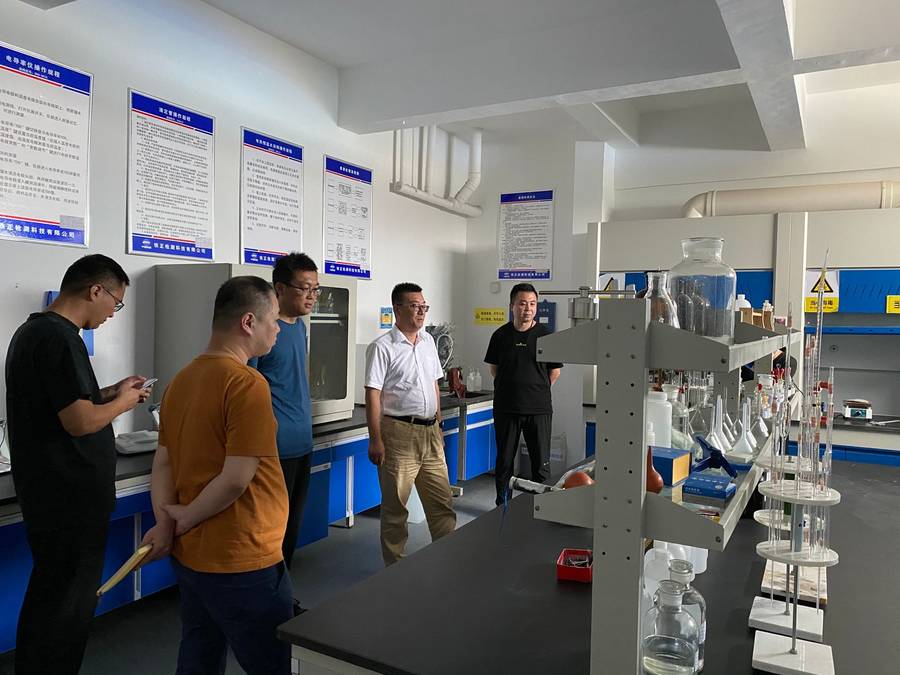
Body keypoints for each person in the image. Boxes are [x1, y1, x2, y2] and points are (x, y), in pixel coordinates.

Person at [5, 254, 150, 674]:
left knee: (52, 594)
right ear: (95, 290)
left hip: (53, 492)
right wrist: (125, 402)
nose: (113, 313)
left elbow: (67, 404)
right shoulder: (60, 338)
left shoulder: (34, 332)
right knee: (66, 604)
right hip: (69, 497)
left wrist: (111, 392)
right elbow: (79, 422)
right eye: (115, 302)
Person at [141, 276, 292, 675]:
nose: (278, 329)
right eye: (274, 319)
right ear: (248, 322)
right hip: (242, 555)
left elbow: (164, 462)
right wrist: (185, 517)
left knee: (200, 652)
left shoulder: (181, 380)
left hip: (192, 556)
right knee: (270, 661)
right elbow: (237, 477)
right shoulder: (246, 383)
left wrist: (166, 523)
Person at [365, 282, 456, 565]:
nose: (421, 312)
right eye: (415, 306)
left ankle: (448, 561)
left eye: (424, 306)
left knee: (442, 503)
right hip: (398, 433)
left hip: (430, 432)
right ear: (397, 308)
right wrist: (375, 439)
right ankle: (395, 570)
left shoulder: (428, 342)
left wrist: (439, 424)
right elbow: (372, 394)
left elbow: (434, 385)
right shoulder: (382, 347)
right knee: (396, 509)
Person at [249, 253, 317, 578]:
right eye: (305, 288)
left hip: (303, 441)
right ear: (280, 288)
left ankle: (281, 591)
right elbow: (247, 389)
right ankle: (267, 594)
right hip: (275, 447)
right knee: (269, 529)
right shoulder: (263, 330)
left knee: (291, 526)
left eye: (315, 289)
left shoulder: (299, 327)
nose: (312, 296)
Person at [484, 283, 562, 506]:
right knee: (504, 461)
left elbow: (554, 372)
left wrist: (534, 391)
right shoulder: (500, 335)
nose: (527, 309)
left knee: (541, 465)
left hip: (538, 410)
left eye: (532, 304)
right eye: (522, 303)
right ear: (512, 306)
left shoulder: (546, 335)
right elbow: (494, 369)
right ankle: (503, 507)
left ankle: (542, 508)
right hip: (506, 408)